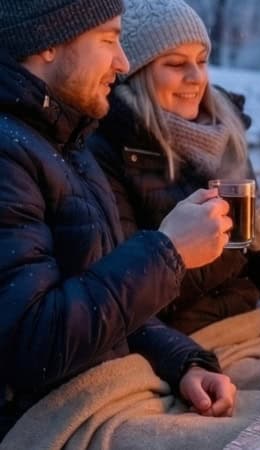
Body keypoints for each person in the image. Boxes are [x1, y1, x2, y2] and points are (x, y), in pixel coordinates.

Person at [0, 0, 238, 439]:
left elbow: (110, 309)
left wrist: (184, 364)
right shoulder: (9, 155)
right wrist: (168, 251)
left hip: (106, 393)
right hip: (43, 420)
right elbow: (30, 344)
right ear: (48, 41)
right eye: (109, 39)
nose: (123, 62)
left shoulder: (69, 141)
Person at [88, 0, 260, 388]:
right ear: (137, 71)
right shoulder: (110, 150)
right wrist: (239, 242)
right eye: (175, 64)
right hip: (184, 348)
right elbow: (129, 295)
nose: (195, 77)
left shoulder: (225, 135)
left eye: (201, 61)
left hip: (255, 329)